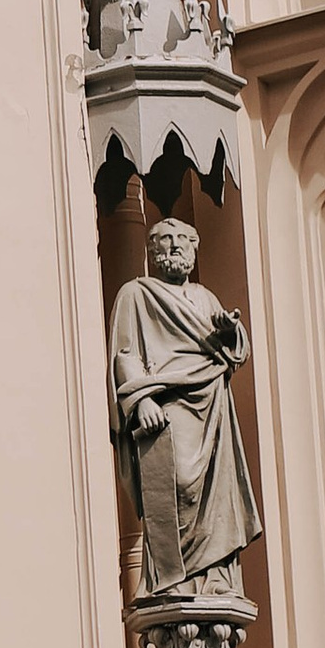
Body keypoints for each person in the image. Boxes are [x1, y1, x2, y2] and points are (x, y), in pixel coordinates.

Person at [109, 218, 261, 598]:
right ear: (150, 251)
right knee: (176, 482)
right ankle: (170, 578)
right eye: (164, 241)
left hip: (212, 405)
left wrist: (228, 331)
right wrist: (140, 399)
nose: (173, 247)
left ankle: (215, 577)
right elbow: (124, 353)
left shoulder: (206, 297)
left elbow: (231, 353)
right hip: (166, 403)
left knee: (217, 495)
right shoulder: (136, 293)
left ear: (194, 250)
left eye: (181, 241)